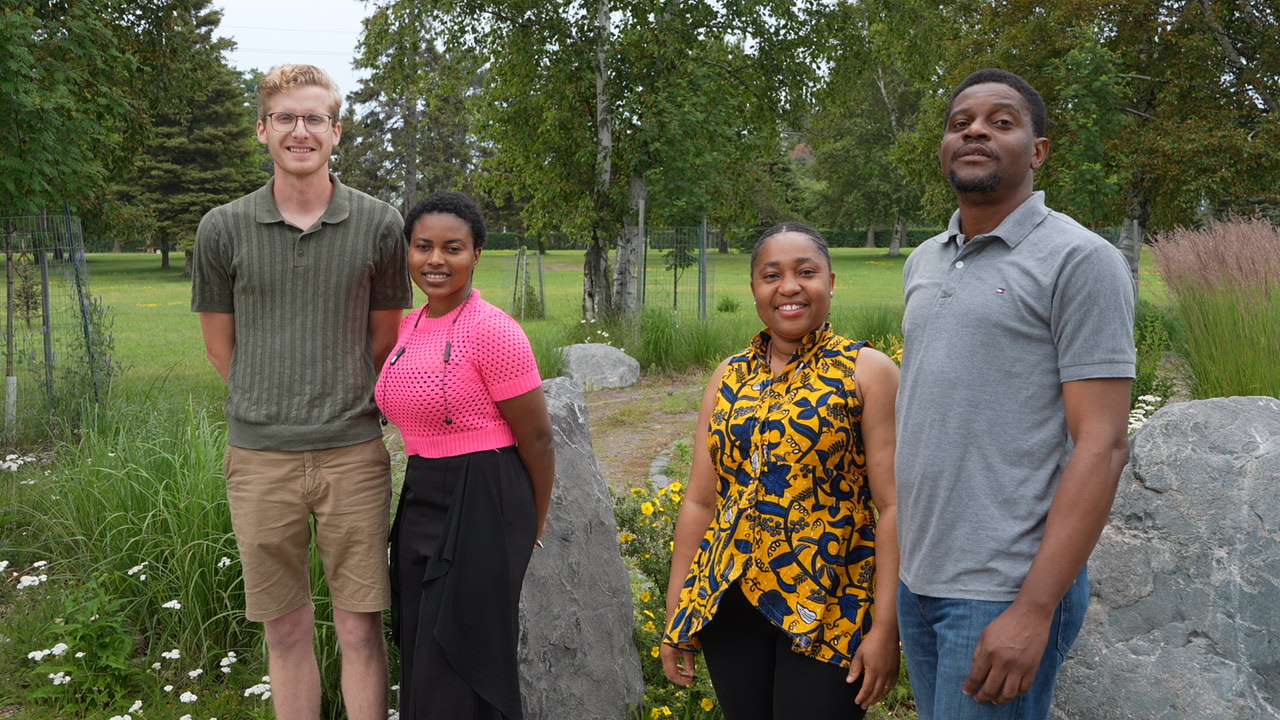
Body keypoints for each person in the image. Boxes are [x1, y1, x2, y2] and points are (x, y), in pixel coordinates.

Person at [895, 68, 1136, 720]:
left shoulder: (1080, 261)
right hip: (920, 583)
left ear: (1038, 150)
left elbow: (1104, 445)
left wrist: (1033, 610)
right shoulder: (925, 260)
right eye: (959, 122)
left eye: (1002, 121)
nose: (974, 129)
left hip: (1002, 591)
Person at [191, 64, 411, 720]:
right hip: (259, 462)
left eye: (314, 117)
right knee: (283, 632)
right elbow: (219, 347)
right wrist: (271, 401)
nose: (300, 130)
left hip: (354, 456)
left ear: (336, 132)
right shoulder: (222, 230)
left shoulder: (380, 225)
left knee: (361, 629)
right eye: (285, 117)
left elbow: (383, 342)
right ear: (263, 129)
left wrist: (334, 397)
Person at [660, 223, 902, 719]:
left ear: (831, 282)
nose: (788, 286)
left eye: (805, 272)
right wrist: (676, 613)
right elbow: (701, 501)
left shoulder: (868, 371)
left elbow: (896, 505)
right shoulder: (728, 377)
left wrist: (885, 629)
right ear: (754, 290)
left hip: (832, 602)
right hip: (730, 599)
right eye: (772, 275)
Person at [374, 190, 555, 720]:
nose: (435, 260)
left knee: (458, 656)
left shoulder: (494, 331)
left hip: (485, 495)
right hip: (422, 492)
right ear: (407, 253)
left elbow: (539, 440)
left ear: (477, 254)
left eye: (452, 248)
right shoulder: (408, 327)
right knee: (419, 644)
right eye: (423, 247)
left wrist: (531, 522)